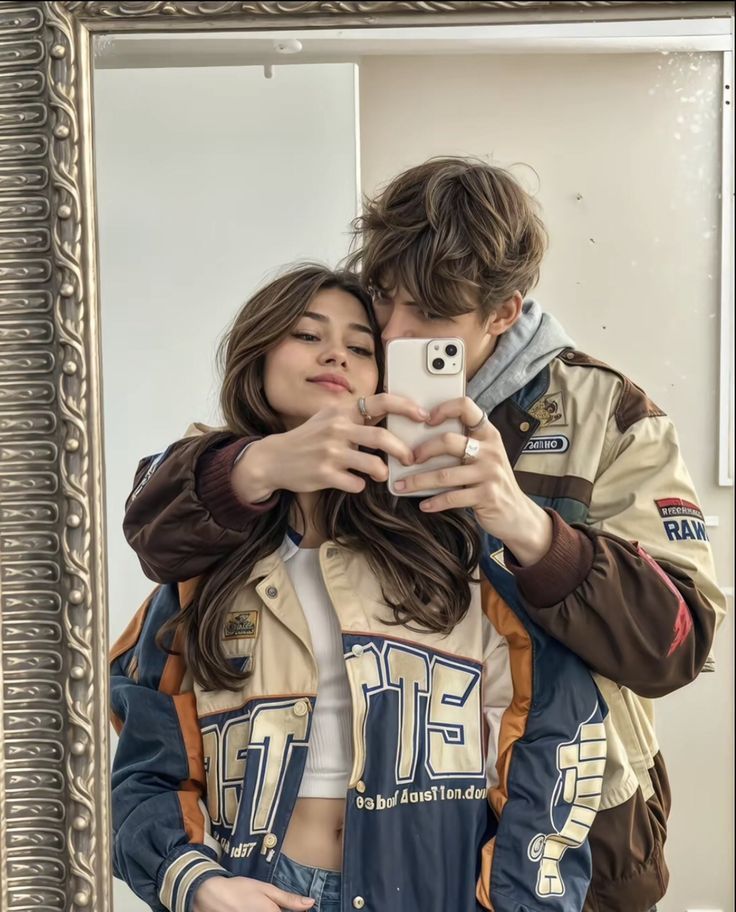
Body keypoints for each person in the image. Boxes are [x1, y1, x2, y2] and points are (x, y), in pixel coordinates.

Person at [121, 159, 724, 912]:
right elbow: (160, 539)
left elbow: (677, 643)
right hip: (343, 843)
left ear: (503, 313)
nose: (394, 333)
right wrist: (256, 465)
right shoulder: (341, 396)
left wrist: (529, 528)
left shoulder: (609, 416)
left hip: (572, 835)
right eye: (383, 296)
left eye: (433, 315)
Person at [110, 265, 608, 912]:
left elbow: (555, 738)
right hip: (261, 888)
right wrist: (197, 883)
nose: (336, 354)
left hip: (434, 890)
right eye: (306, 334)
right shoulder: (202, 570)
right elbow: (146, 768)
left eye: (361, 345)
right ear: (258, 358)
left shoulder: (453, 548)